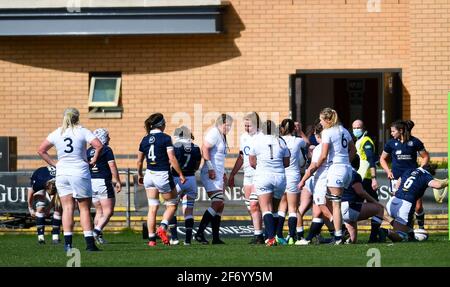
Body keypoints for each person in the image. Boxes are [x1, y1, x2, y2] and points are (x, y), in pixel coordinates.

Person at [37, 107, 103, 252]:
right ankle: (90, 244)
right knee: (84, 208)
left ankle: (68, 244)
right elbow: (98, 145)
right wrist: (93, 159)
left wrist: (54, 163)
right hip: (79, 172)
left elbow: (41, 150)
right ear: (77, 118)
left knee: (67, 208)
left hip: (62, 173)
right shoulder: (82, 131)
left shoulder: (57, 132)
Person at [298, 108, 356, 245]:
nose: (320, 122)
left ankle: (338, 237)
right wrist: (347, 162)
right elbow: (353, 149)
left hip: (336, 169)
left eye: (321, 120)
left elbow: (323, 156)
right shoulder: (344, 130)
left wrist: (315, 166)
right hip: (347, 169)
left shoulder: (328, 132)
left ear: (328, 120)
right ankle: (338, 234)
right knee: (331, 203)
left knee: (335, 206)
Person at [137, 113, 186, 246]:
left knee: (152, 207)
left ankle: (152, 240)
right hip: (162, 174)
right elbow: (172, 159)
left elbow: (139, 161)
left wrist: (140, 175)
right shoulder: (165, 138)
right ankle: (163, 227)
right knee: (172, 204)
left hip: (149, 175)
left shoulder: (145, 139)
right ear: (161, 125)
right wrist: (181, 174)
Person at [379, 120, 430, 230]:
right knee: (400, 205)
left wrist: (420, 169)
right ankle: (405, 230)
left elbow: (425, 156)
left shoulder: (415, 142)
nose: (391, 133)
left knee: (417, 206)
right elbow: (382, 159)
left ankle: (421, 228)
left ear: (401, 131)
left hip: (412, 178)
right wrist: (388, 171)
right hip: (396, 178)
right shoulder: (391, 143)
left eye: (393, 131)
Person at [379, 164, 448, 242]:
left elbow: (398, 182)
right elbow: (438, 185)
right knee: (402, 237)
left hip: (393, 201)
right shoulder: (426, 175)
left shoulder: (410, 170)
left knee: (410, 220)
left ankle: (410, 235)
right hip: (405, 205)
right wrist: (447, 181)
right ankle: (386, 232)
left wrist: (397, 192)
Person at [249, 120, 290, 246]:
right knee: (275, 210)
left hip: (263, 176)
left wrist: (263, 166)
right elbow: (287, 163)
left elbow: (252, 162)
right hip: (279, 177)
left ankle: (271, 238)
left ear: (262, 130)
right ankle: (276, 236)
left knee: (266, 208)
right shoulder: (281, 141)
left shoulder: (257, 141)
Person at [195, 114, 233, 245]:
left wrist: (223, 173)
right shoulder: (214, 132)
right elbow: (204, 147)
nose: (228, 128)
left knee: (220, 205)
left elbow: (219, 157)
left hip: (218, 174)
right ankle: (199, 233)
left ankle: (215, 238)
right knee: (217, 202)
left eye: (230, 125)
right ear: (219, 124)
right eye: (226, 125)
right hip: (210, 173)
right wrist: (210, 168)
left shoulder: (222, 135)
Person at [228, 112, 264, 244]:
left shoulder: (262, 137)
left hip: (259, 175)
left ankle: (260, 235)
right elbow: (242, 157)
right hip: (247, 175)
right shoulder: (243, 137)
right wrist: (233, 174)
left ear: (256, 124)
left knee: (255, 205)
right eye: (245, 125)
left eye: (248, 125)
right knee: (250, 206)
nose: (246, 128)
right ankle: (259, 233)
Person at [275, 119, 309, 245]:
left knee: (282, 207)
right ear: (293, 129)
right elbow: (307, 142)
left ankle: (278, 235)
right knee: (293, 208)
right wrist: (300, 131)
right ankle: (292, 237)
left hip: (280, 175)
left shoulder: (278, 140)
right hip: (293, 175)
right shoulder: (297, 140)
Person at [167, 126, 202, 246]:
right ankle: (187, 240)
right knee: (189, 211)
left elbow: (170, 162)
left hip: (177, 179)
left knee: (171, 207)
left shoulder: (175, 146)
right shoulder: (196, 147)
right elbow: (197, 166)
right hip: (191, 179)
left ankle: (175, 238)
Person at [87, 128, 122, 245]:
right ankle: (96, 231)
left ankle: (99, 236)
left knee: (99, 211)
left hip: (91, 182)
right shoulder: (106, 149)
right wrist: (117, 180)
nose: (109, 138)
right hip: (103, 182)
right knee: (108, 211)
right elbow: (112, 166)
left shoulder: (88, 151)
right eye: (107, 136)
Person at [340, 156, 384, 244]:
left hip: (340, 209)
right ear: (359, 164)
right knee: (379, 208)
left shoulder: (341, 173)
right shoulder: (354, 174)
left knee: (353, 241)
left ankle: (342, 238)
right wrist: (375, 202)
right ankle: (373, 238)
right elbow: (360, 192)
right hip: (350, 208)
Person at [351, 119, 381, 242]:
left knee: (376, 206)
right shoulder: (358, 141)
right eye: (354, 127)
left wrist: (374, 178)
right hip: (359, 179)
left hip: (367, 179)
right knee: (356, 207)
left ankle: (373, 235)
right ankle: (350, 235)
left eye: (358, 127)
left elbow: (371, 160)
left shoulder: (366, 141)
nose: (356, 130)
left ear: (363, 128)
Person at [27, 166, 62, 244]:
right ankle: (41, 238)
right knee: (40, 207)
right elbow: (30, 193)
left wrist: (49, 209)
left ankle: (55, 237)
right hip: (39, 176)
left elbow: (57, 198)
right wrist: (30, 207)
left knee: (58, 207)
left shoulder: (60, 183)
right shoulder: (39, 183)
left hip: (56, 180)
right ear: (46, 187)